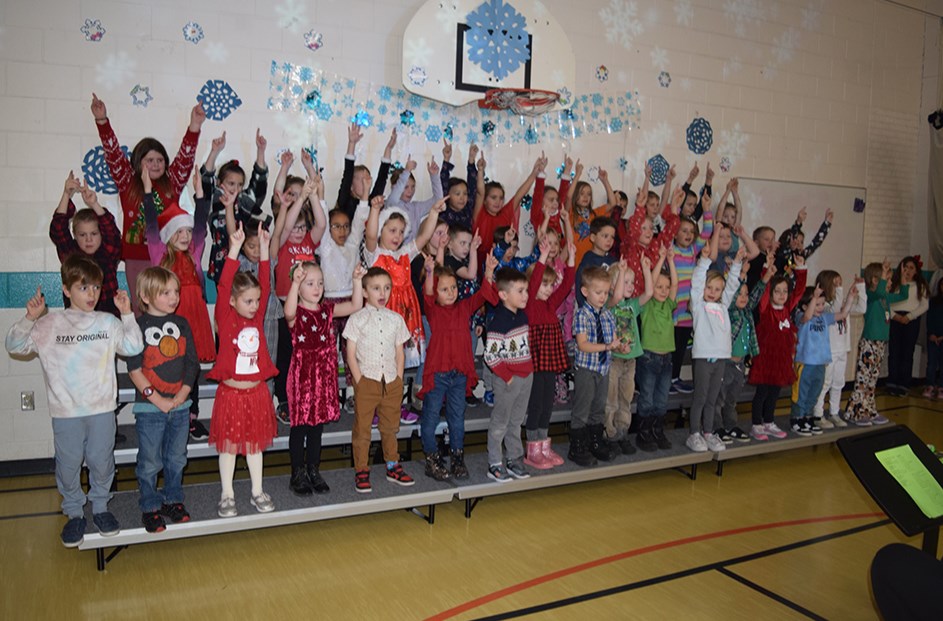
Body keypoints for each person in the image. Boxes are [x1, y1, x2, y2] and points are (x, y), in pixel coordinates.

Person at [5, 255, 143, 547]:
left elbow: (133, 346)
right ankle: (74, 513)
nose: (91, 294)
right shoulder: (49, 324)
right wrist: (30, 318)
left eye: (95, 288)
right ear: (66, 290)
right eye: (83, 288)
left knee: (101, 462)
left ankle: (101, 508)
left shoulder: (107, 322)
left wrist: (127, 313)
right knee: (68, 465)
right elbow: (14, 346)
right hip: (66, 413)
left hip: (102, 410)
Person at [90, 93, 205, 307]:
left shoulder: (172, 183)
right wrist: (102, 121)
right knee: (141, 307)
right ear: (138, 162)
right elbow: (113, 154)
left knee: (167, 305)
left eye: (160, 160)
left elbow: (185, 158)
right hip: (136, 258)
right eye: (149, 160)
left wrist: (195, 125)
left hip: (167, 257)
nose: (155, 164)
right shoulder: (127, 183)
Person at [206, 222, 278, 517]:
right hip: (231, 395)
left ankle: (257, 491)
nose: (254, 306)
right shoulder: (225, 316)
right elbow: (224, 286)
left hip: (256, 394)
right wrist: (234, 248)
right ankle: (227, 494)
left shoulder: (257, 317)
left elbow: (266, 281)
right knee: (229, 447)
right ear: (233, 302)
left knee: (254, 446)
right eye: (248, 301)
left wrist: (263, 250)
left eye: (257, 301)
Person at [142, 168, 214, 438]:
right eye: (179, 231)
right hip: (169, 319)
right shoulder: (160, 253)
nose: (185, 236)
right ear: (168, 236)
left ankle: (190, 414)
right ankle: (164, 409)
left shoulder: (194, 251)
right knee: (169, 363)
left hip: (193, 319)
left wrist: (199, 195)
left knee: (190, 365)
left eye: (187, 231)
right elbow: (151, 225)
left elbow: (200, 224)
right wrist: (148, 193)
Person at [126, 267, 199, 533]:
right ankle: (150, 505)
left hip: (180, 406)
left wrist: (181, 395)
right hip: (150, 408)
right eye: (166, 292)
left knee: (176, 457)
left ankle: (173, 499)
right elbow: (134, 370)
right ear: (145, 296)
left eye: (175, 292)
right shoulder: (138, 326)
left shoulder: (181, 324)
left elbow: (192, 363)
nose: (174, 297)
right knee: (150, 461)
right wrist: (158, 400)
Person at [283, 261, 364, 495]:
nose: (317, 288)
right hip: (302, 375)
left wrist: (357, 281)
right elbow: (287, 312)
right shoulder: (296, 312)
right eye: (310, 283)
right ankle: (297, 472)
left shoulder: (328, 309)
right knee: (300, 427)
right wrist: (295, 282)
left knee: (317, 428)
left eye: (320, 283)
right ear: (299, 287)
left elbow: (356, 305)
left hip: (323, 375)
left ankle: (313, 470)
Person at [419, 253, 498, 480]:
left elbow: (483, 294)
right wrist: (431, 271)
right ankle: (432, 458)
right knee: (431, 417)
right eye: (444, 289)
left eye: (453, 287)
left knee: (457, 418)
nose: (451, 292)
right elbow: (428, 293)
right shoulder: (433, 311)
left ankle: (457, 457)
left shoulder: (464, 308)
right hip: (438, 374)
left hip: (459, 374)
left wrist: (490, 271)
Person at [344, 267, 415, 493]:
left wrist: (399, 379)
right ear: (365, 292)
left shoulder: (396, 319)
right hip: (368, 381)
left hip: (391, 382)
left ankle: (392, 465)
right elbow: (351, 352)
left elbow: (400, 352)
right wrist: (360, 380)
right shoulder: (357, 319)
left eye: (386, 288)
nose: (382, 293)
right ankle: (362, 470)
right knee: (363, 429)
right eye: (376, 288)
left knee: (390, 427)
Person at [363, 195, 445, 369]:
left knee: (398, 362)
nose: (398, 236)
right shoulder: (375, 254)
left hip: (406, 315)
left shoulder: (404, 254)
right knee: (383, 362)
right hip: (384, 315)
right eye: (392, 230)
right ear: (381, 230)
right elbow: (370, 236)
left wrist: (433, 213)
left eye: (401, 231)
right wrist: (375, 210)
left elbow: (424, 237)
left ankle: (397, 392)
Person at [685, 244, 745, 452]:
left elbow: (731, 287)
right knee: (700, 398)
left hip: (720, 359)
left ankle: (709, 433)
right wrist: (703, 261)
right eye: (709, 288)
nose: (713, 292)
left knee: (712, 399)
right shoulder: (699, 306)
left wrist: (736, 263)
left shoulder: (723, 305)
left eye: (717, 289)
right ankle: (694, 434)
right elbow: (697, 282)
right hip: (703, 359)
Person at [522, 238, 576, 469]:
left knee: (547, 403)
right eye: (544, 285)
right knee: (535, 403)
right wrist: (542, 257)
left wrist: (571, 260)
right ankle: (532, 446)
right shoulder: (530, 306)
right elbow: (534, 283)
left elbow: (565, 287)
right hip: (535, 363)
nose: (548, 289)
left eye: (549, 285)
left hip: (549, 361)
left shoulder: (550, 304)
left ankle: (543, 443)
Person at [481, 267, 534, 482]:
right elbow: (491, 356)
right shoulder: (499, 321)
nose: (525, 295)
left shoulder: (522, 317)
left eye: (526, 290)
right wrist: (507, 376)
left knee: (516, 420)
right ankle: (495, 462)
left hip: (525, 377)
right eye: (520, 291)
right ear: (503, 295)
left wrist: (527, 371)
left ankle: (513, 458)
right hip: (507, 381)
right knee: (500, 422)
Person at [714, 254, 772, 443]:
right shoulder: (729, 311)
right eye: (740, 294)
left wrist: (765, 279)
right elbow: (730, 295)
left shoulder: (746, 312)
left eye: (745, 294)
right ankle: (716, 428)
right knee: (719, 398)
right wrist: (740, 275)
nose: (744, 297)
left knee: (732, 399)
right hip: (726, 364)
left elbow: (755, 296)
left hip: (739, 365)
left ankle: (730, 425)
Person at [568, 266, 622, 466]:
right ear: (585, 292)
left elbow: (614, 340)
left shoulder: (608, 315)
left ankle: (595, 441)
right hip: (586, 369)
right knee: (582, 408)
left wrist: (620, 346)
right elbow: (582, 344)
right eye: (598, 292)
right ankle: (577, 446)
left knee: (598, 407)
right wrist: (607, 346)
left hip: (603, 369)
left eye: (606, 293)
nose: (603, 297)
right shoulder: (582, 315)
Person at [846, 260, 909, 426]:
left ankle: (869, 410)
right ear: (876, 280)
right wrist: (883, 274)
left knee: (872, 380)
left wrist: (903, 277)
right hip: (869, 343)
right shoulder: (871, 296)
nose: (889, 282)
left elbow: (904, 295)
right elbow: (879, 292)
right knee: (863, 379)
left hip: (880, 344)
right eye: (887, 279)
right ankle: (855, 412)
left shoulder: (884, 299)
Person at [606, 251, 658, 454]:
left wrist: (646, 269)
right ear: (613, 286)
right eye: (625, 282)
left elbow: (649, 293)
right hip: (614, 360)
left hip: (631, 361)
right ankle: (608, 434)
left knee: (625, 400)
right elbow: (617, 295)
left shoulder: (632, 305)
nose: (630, 286)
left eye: (631, 282)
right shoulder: (610, 304)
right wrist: (619, 270)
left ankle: (621, 433)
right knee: (610, 400)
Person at [49, 172, 122, 317]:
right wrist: (66, 195)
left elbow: (112, 232)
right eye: (83, 235)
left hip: (108, 320)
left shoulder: (107, 253)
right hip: (76, 321)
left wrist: (94, 204)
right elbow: (58, 230)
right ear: (75, 236)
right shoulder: (71, 255)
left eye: (94, 234)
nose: (89, 240)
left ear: (101, 234)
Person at [790, 280, 857, 435]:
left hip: (821, 363)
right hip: (805, 364)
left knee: (814, 392)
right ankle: (796, 419)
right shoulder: (802, 317)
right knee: (801, 393)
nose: (820, 308)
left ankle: (807, 418)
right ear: (805, 306)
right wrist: (813, 297)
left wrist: (850, 298)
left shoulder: (823, 318)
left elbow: (842, 314)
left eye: (821, 304)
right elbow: (807, 316)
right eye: (817, 304)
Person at [202, 129, 269, 284]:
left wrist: (260, 151)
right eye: (231, 183)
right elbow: (206, 181)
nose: (235, 188)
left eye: (239, 184)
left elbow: (259, 187)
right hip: (221, 263)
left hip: (244, 262)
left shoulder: (244, 201)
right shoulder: (215, 200)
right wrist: (214, 151)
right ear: (220, 183)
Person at [635, 248, 679, 451]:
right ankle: (643, 433)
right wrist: (660, 259)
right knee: (646, 398)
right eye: (660, 286)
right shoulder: (648, 305)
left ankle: (657, 431)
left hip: (666, 360)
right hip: (648, 358)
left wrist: (671, 261)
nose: (663, 290)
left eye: (666, 287)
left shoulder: (669, 305)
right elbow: (650, 286)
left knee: (661, 400)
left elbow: (676, 284)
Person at [812, 270, 867, 426]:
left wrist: (860, 287)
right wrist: (843, 292)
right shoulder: (824, 306)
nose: (839, 286)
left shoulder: (842, 303)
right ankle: (818, 414)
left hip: (842, 349)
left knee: (838, 382)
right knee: (825, 383)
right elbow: (837, 310)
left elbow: (862, 308)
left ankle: (834, 412)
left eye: (840, 283)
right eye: (836, 284)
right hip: (828, 351)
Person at [886, 256, 930, 396]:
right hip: (896, 319)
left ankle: (904, 384)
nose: (908, 271)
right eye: (906, 268)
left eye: (911, 268)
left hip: (911, 320)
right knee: (894, 351)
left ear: (916, 271)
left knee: (907, 352)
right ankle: (892, 382)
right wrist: (895, 316)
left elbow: (925, 305)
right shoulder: (894, 284)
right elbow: (886, 303)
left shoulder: (920, 286)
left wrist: (909, 316)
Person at [387, 155, 444, 245]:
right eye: (406, 187)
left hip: (411, 254)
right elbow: (395, 193)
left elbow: (438, 200)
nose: (410, 191)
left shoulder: (415, 207)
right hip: (394, 255)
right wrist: (407, 171)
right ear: (394, 187)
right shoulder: (391, 204)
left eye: (413, 186)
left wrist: (434, 176)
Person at [925, 277, 943, 399]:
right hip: (933, 337)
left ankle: (941, 386)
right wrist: (931, 334)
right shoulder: (933, 302)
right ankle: (930, 385)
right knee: (931, 363)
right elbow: (929, 319)